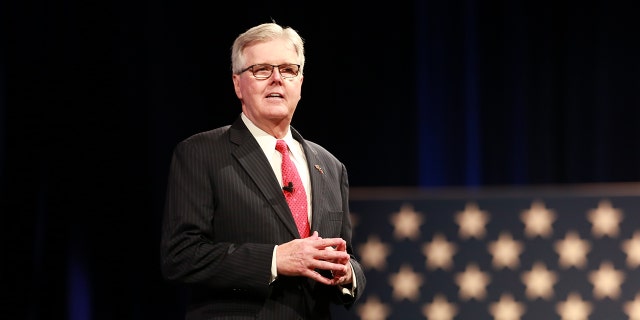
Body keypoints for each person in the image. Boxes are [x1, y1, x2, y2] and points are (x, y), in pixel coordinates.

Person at [160, 22, 366, 319]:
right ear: (237, 84)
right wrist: (274, 259)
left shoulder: (331, 166)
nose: (276, 79)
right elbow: (180, 256)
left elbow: (350, 256)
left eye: (288, 70)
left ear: (300, 83)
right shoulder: (201, 153)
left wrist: (347, 274)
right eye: (261, 70)